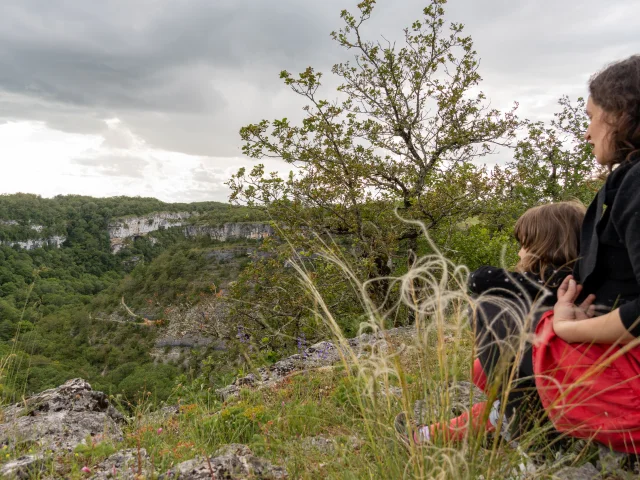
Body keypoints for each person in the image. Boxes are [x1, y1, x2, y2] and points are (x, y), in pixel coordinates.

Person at [395, 201, 586, 445]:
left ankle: (424, 437)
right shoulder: (574, 279)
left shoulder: (555, 282)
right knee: (479, 369)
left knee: (487, 405)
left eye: (524, 245)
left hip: (548, 388)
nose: (518, 253)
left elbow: (479, 279)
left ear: (544, 246)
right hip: (550, 377)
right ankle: (501, 414)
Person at [534, 54, 640, 455]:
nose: (587, 132)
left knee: (494, 303)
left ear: (622, 114)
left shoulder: (637, 183)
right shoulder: (626, 179)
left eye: (591, 116)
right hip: (616, 345)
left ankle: (543, 438)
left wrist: (568, 329)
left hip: (627, 374)